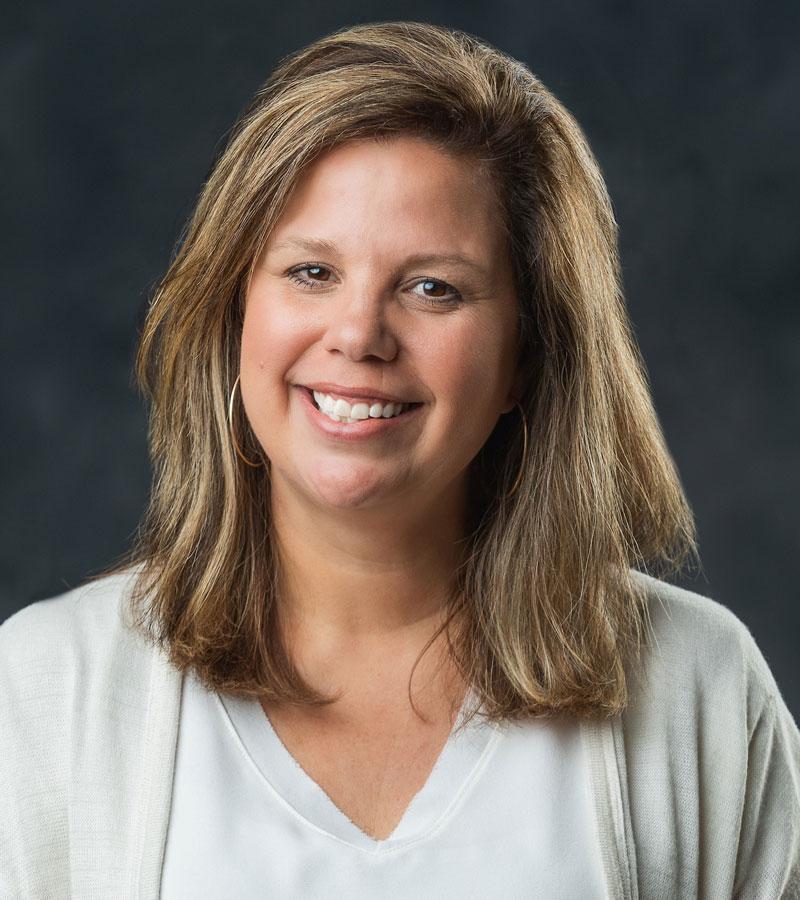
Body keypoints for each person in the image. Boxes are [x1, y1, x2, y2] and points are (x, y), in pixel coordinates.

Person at [1, 20, 798, 900]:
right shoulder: (43, 691)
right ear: (235, 315)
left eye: (433, 288)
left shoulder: (697, 690)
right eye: (312, 272)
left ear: (526, 358)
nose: (358, 336)